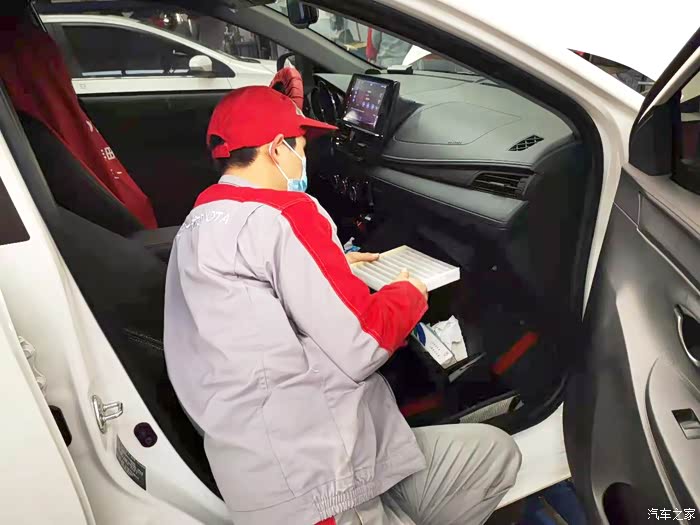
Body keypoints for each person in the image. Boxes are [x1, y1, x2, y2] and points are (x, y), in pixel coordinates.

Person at [164, 86, 521, 525]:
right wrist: (408, 292)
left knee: (492, 455)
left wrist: (331, 265)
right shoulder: (288, 214)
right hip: (316, 490)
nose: (304, 157)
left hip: (259, 462)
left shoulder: (200, 220)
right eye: (300, 146)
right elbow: (363, 344)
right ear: (276, 149)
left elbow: (251, 292)